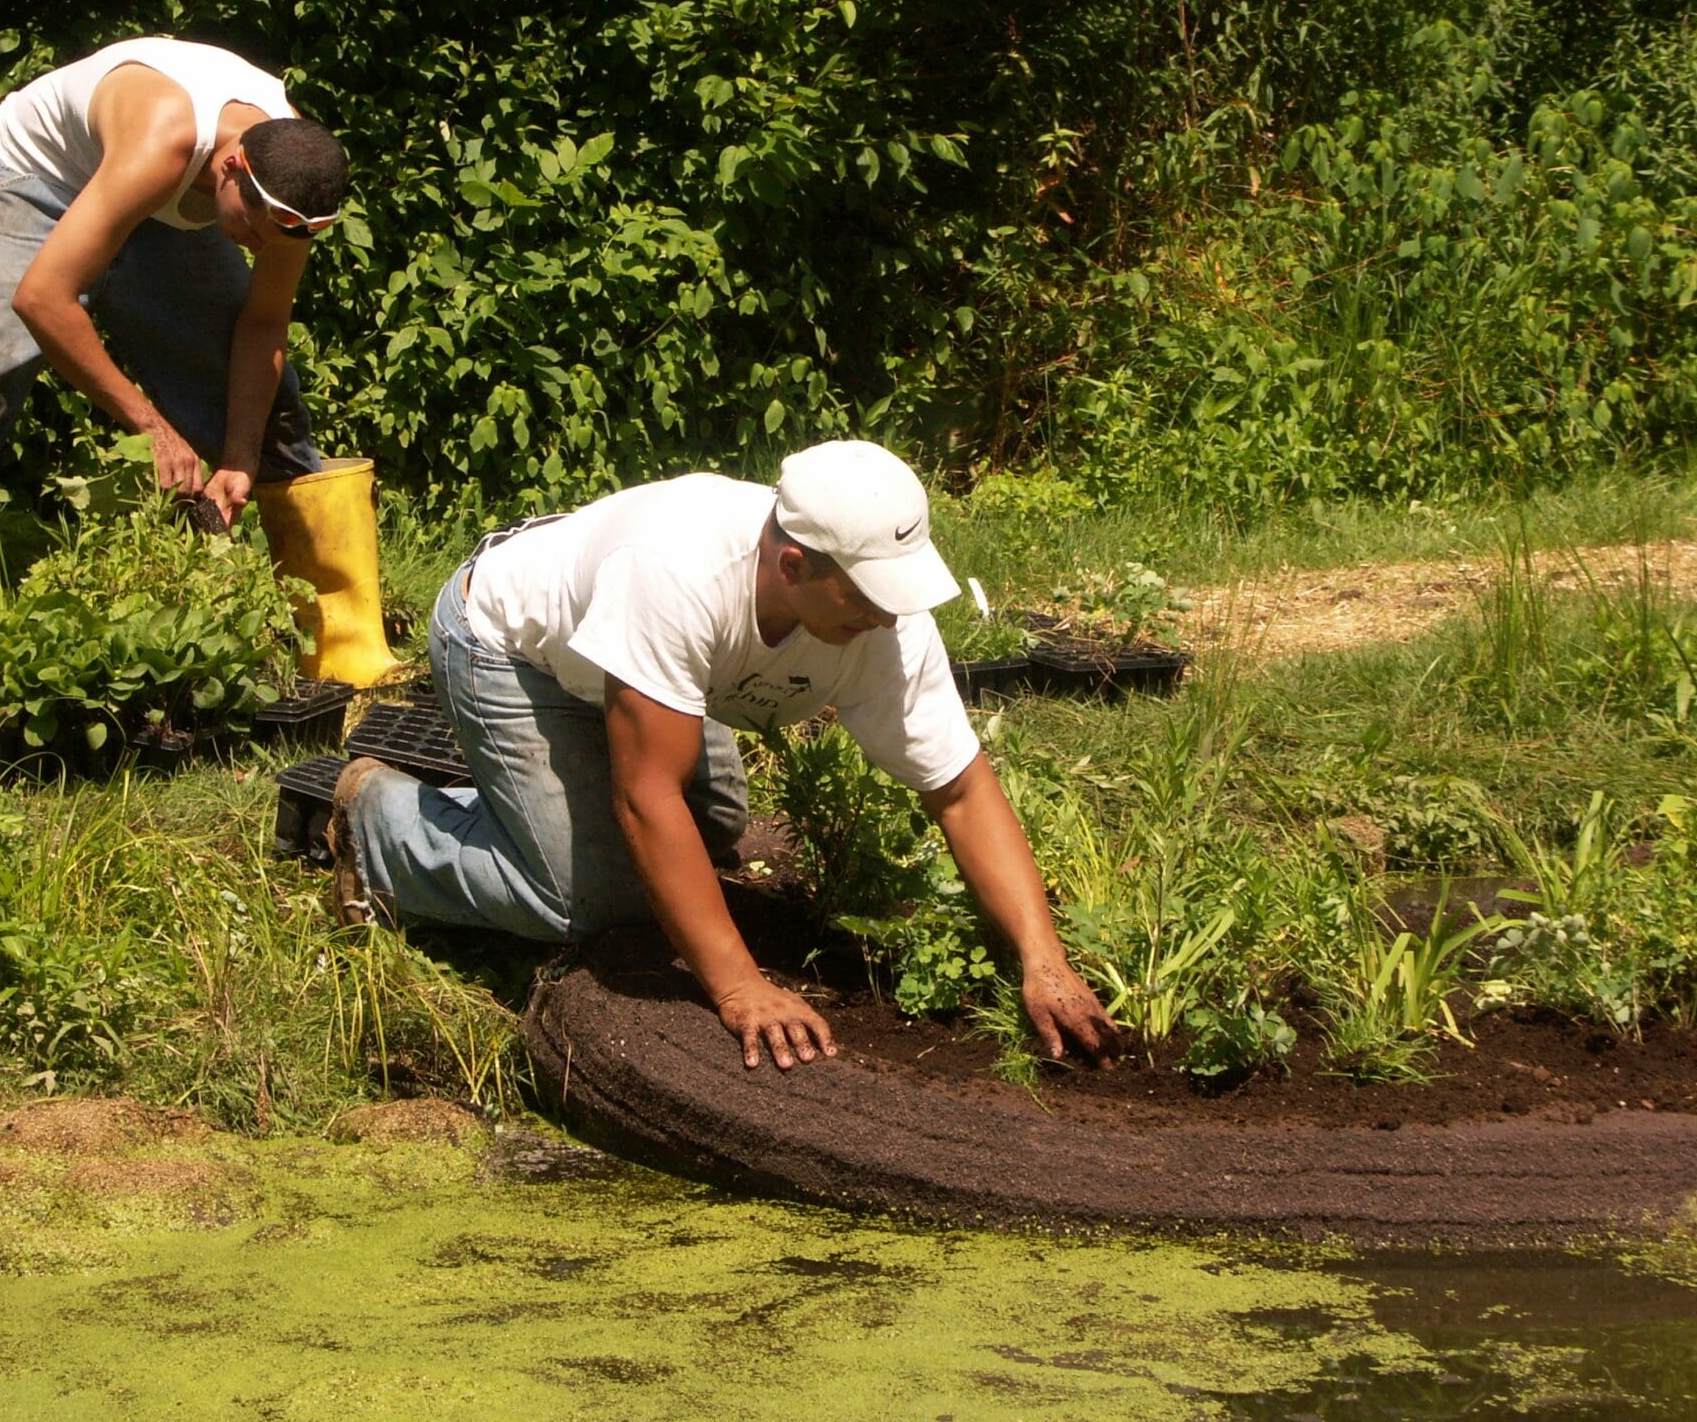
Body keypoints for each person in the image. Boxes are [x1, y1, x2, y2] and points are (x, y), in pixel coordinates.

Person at [326, 440, 1123, 1073]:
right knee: (587, 899)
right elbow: (646, 800)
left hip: (641, 665)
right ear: (793, 566)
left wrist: (1042, 958)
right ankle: (378, 824)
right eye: (868, 596)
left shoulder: (882, 612)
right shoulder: (676, 573)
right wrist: (741, 988)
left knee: (716, 825)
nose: (888, 616)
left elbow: (959, 789)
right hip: (512, 643)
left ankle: (518, 809)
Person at [0, 36, 349, 527]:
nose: (258, 249)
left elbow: (263, 325)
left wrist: (240, 457)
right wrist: (153, 429)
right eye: (248, 229)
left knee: (272, 414)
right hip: (41, 176)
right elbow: (42, 299)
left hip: (156, 197)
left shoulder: (293, 185)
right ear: (231, 168)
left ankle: (321, 594)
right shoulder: (165, 141)